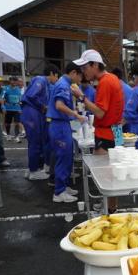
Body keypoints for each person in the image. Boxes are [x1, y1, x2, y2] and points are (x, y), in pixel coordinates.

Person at [46, 62, 85, 203]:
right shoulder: (63, 84)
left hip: (62, 124)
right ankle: (59, 192)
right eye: (80, 75)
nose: (81, 79)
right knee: (63, 157)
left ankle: (63, 186)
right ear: (74, 73)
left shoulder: (65, 84)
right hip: (59, 125)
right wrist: (76, 115)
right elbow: (59, 105)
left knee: (67, 157)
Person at [72, 49, 124, 154]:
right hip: (116, 130)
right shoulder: (113, 78)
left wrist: (81, 97)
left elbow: (100, 113)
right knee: (116, 164)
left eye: (85, 68)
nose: (83, 71)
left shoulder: (105, 82)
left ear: (95, 65)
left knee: (102, 169)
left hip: (106, 133)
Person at [21, 64, 60, 180]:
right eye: (57, 77)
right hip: (32, 113)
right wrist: (43, 106)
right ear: (52, 73)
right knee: (35, 142)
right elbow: (32, 95)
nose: (57, 80)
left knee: (34, 142)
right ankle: (34, 171)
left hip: (35, 113)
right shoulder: (41, 80)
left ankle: (31, 168)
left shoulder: (47, 85)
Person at [3, 77, 23, 143]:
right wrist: (3, 107)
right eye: (12, 80)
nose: (14, 82)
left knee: (17, 123)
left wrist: (21, 108)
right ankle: (8, 134)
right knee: (8, 123)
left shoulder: (19, 89)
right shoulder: (6, 89)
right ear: (10, 81)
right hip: (8, 108)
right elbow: (2, 99)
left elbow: (20, 100)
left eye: (15, 81)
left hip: (17, 109)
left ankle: (16, 137)